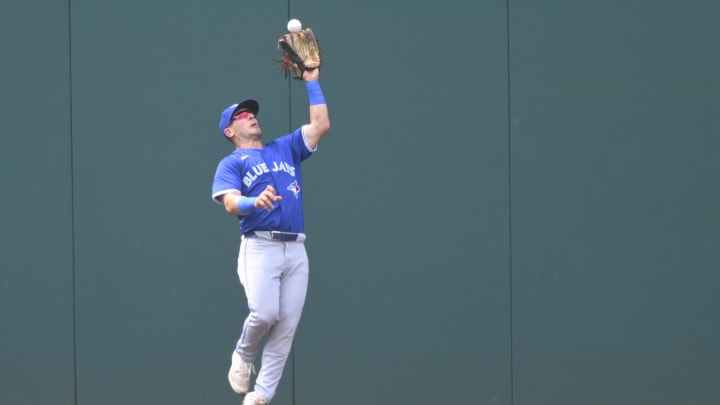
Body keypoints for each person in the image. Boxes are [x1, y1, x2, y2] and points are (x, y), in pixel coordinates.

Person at [211, 67, 329, 405]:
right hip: (260, 245)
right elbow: (230, 203)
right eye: (242, 116)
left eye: (251, 113)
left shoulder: (285, 148)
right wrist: (253, 200)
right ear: (230, 130)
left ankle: (261, 396)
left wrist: (311, 81)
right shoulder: (231, 164)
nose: (250, 117)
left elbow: (321, 124)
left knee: (286, 326)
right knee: (264, 315)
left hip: (296, 250)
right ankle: (244, 354)